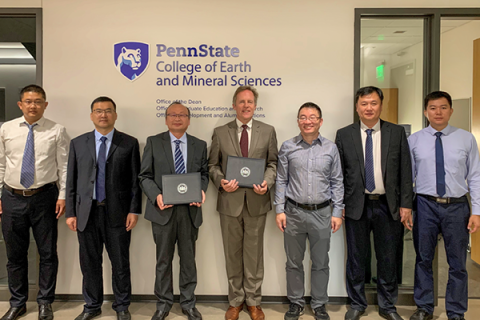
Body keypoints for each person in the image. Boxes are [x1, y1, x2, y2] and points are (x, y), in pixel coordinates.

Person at [335, 86, 413, 320]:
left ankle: (387, 305)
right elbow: (338, 174)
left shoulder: (396, 132)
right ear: (357, 107)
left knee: (388, 256)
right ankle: (357, 303)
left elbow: (405, 171)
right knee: (357, 257)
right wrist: (339, 205)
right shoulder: (344, 134)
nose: (369, 108)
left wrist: (406, 204)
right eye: (364, 104)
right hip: (356, 205)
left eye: (373, 103)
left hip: (388, 205)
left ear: (381, 105)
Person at [65, 96, 141, 320]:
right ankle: (91, 305)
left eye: (108, 110)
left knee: (120, 262)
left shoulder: (129, 142)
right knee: (89, 263)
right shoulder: (78, 143)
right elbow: (72, 180)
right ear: (91, 115)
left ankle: (122, 306)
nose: (103, 114)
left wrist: (133, 210)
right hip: (86, 213)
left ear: (115, 115)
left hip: (117, 213)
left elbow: (135, 181)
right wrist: (71, 212)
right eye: (98, 111)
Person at [408, 91, 480, 320]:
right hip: (424, 204)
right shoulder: (414, 140)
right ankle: (424, 307)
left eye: (442, 107)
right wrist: (407, 207)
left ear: (451, 110)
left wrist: (476, 211)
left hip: (457, 206)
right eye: (432, 108)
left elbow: (476, 176)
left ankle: (456, 311)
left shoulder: (466, 138)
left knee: (458, 262)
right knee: (423, 259)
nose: (437, 112)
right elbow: (408, 177)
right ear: (425, 111)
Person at [208, 86, 278, 320]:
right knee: (232, 253)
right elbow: (212, 165)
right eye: (241, 102)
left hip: (257, 201)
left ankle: (254, 302)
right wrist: (221, 182)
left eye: (250, 102)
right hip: (230, 201)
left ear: (255, 106)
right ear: (234, 105)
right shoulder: (220, 132)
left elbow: (273, 163)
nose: (246, 105)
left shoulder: (267, 131)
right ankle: (235, 301)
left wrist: (267, 182)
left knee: (254, 255)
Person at [0, 84, 69, 320]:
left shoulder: (57, 130)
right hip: (11, 197)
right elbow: (0, 164)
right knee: (15, 255)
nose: (33, 105)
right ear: (20, 104)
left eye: (38, 101)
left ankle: (45, 302)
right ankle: (17, 302)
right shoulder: (6, 129)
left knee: (47, 253)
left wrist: (62, 195)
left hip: (45, 197)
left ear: (45, 104)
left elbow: (65, 166)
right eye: (28, 101)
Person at [139, 102, 208, 320]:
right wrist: (157, 196)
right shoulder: (153, 142)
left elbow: (204, 174)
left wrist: (202, 190)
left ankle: (188, 303)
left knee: (188, 261)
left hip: (189, 212)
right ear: (166, 118)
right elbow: (144, 176)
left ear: (189, 119)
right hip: (162, 211)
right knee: (163, 261)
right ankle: (163, 303)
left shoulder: (200, 144)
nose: (177, 118)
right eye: (172, 115)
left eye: (182, 115)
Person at [274, 102, 344, 320]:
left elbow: (337, 181)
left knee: (321, 262)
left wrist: (337, 212)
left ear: (320, 121)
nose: (308, 121)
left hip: (322, 213)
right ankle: (295, 303)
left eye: (312, 117)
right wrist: (279, 209)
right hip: (293, 212)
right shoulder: (287, 147)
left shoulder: (331, 148)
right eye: (303, 117)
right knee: (293, 262)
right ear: (298, 121)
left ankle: (319, 303)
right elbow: (281, 180)